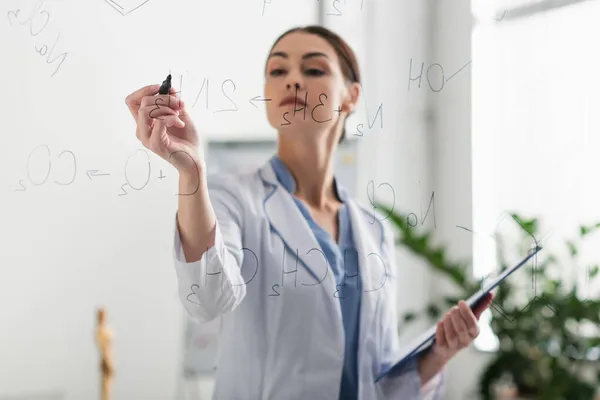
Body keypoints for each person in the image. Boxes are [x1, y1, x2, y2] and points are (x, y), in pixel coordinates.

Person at [125, 25, 494, 399]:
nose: (292, 81)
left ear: (351, 97)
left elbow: (375, 380)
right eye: (278, 71)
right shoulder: (231, 198)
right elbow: (207, 299)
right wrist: (193, 172)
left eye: (314, 69)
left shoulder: (372, 230)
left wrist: (438, 355)